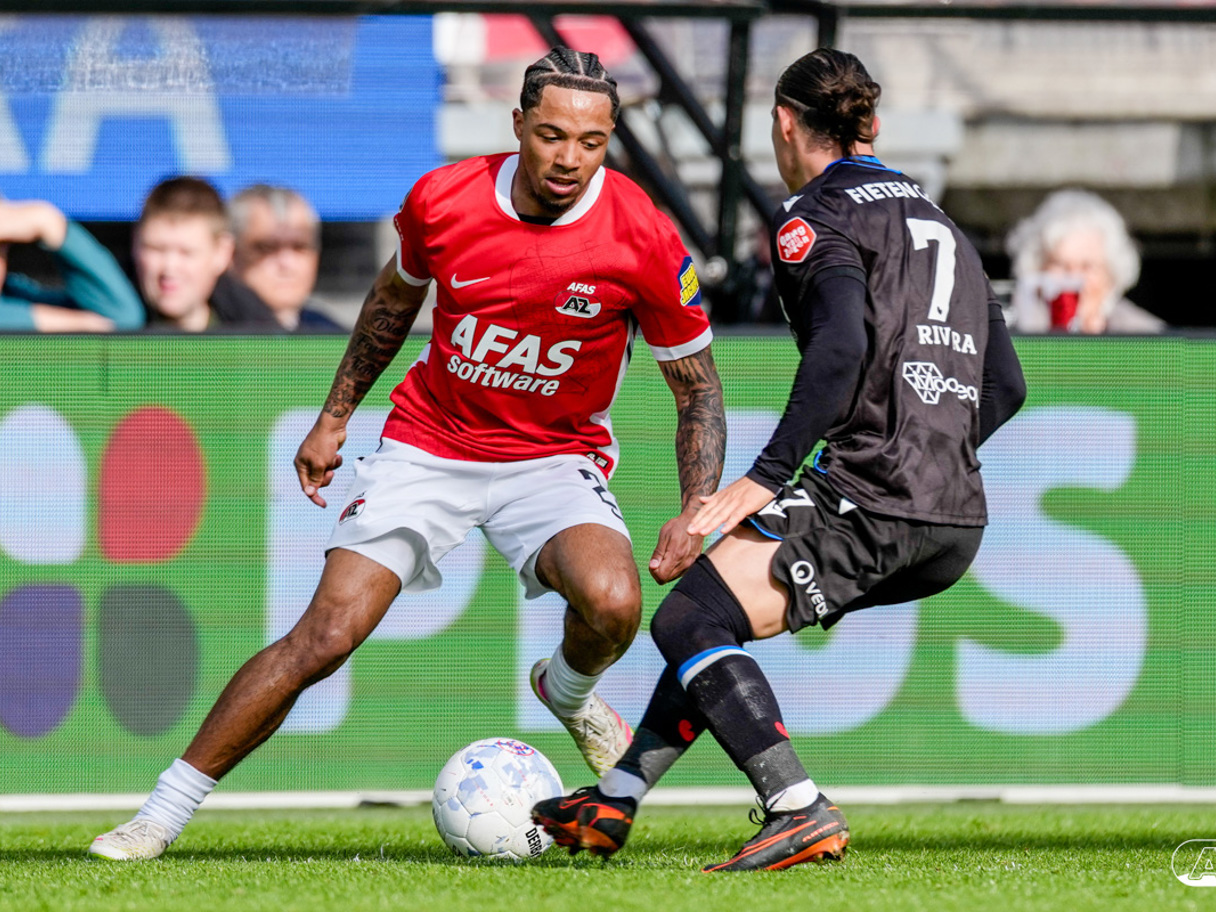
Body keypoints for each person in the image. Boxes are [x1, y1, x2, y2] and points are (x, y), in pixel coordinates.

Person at [88, 48, 725, 861]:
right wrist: (335, 416)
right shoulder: (445, 199)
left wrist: (696, 511)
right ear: (518, 125)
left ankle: (566, 692)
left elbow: (697, 389)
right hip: (430, 444)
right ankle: (159, 816)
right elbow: (394, 299)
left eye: (592, 142)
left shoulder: (642, 234)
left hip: (553, 456)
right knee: (325, 636)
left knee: (614, 605)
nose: (570, 158)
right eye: (553, 135)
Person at [533, 47, 1027, 873]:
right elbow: (1005, 386)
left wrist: (766, 478)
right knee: (708, 616)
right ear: (871, 125)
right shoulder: (942, 222)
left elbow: (839, 349)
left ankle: (796, 806)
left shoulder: (813, 217)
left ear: (784, 123)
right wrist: (928, 453)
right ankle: (615, 797)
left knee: (687, 620)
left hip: (875, 491)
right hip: (955, 518)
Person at [1006, 188, 1164, 334]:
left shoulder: (1146, 336)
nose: (1073, 278)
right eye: (1060, 265)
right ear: (1037, 268)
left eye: (1087, 267)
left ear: (1111, 275)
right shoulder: (1009, 329)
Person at [133, 176, 280, 332]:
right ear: (135, 245)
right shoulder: (115, 323)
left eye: (186, 253)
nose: (169, 267)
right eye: (156, 249)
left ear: (222, 254)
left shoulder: (259, 337)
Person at [0, 198, 144, 332]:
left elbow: (121, 321)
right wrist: (70, 324)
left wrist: (49, 223)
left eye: (2, 245)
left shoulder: (15, 296)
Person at [229, 185, 345, 332]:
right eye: (267, 248)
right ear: (230, 254)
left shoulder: (332, 334)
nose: (287, 263)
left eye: (300, 247)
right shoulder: (208, 336)